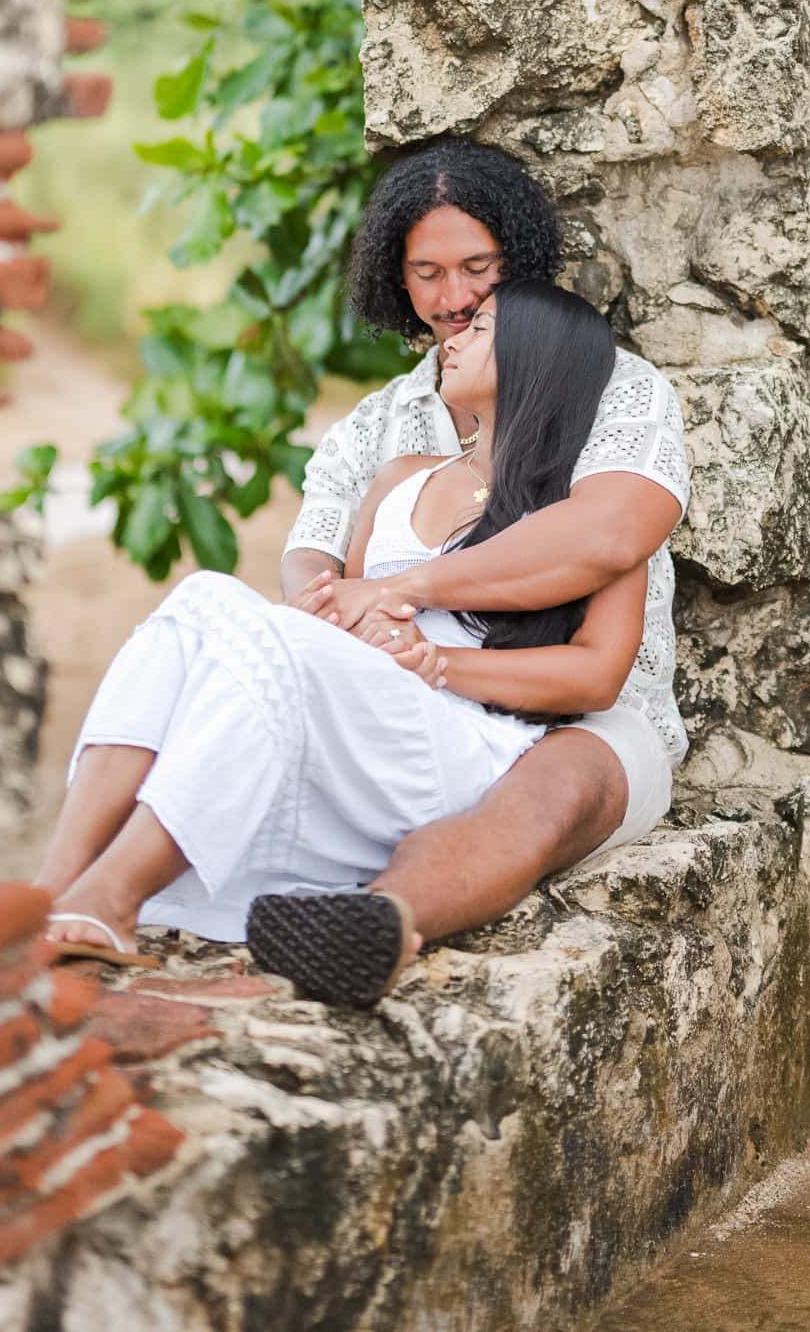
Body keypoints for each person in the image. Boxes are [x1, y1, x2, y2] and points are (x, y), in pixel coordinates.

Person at [34, 282, 666, 1006]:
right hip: (369, 733)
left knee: (268, 631)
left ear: (537, 360)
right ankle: (53, 888)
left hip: (470, 748)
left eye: (481, 327)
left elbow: (596, 677)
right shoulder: (401, 479)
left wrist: (437, 664)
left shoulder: (580, 514)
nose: (450, 339)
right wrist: (350, 623)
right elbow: (348, 618)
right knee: (203, 595)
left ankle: (111, 898)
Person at [262, 138, 689, 996]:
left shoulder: (615, 386)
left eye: (477, 268)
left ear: (518, 258)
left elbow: (606, 533)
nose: (452, 299)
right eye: (426, 273)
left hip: (585, 714)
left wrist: (399, 592)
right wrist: (339, 608)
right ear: (396, 277)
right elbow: (313, 549)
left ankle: (381, 923)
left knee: (545, 791)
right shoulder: (384, 425)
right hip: (407, 697)